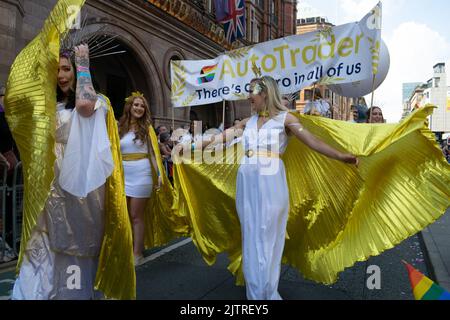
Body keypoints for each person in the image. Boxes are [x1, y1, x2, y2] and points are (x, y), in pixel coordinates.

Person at [175, 76, 358, 300]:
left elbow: (312, 141)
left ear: (265, 93)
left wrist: (341, 155)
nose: (248, 97)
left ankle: (268, 293)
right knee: (251, 238)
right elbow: (219, 139)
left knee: (269, 238)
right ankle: (256, 295)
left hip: (271, 183)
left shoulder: (286, 119)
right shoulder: (246, 123)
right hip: (248, 183)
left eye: (252, 92)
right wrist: (189, 146)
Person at [5, 6, 136, 299]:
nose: (61, 75)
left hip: (79, 198)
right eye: (57, 69)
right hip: (45, 194)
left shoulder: (97, 102)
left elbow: (85, 106)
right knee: (37, 261)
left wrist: (83, 61)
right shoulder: (48, 107)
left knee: (72, 268)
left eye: (66, 69)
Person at [118, 92, 161, 266]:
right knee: (125, 214)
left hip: (141, 173)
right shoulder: (119, 127)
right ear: (129, 106)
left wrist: (158, 174)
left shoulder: (148, 128)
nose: (139, 108)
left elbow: (153, 154)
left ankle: (137, 253)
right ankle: (128, 247)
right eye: (136, 105)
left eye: (142, 106)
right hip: (123, 173)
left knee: (136, 215)